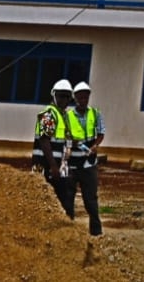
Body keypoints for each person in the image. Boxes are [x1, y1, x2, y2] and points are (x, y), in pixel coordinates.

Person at [33, 79, 77, 221]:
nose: (64, 99)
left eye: (67, 96)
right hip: (44, 166)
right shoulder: (48, 114)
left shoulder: (64, 116)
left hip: (59, 166)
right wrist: (53, 166)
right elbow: (44, 140)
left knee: (65, 199)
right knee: (43, 201)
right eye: (61, 96)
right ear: (54, 95)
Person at [65, 80, 105, 236]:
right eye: (80, 97)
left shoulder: (95, 113)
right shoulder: (67, 116)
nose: (83, 100)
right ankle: (69, 231)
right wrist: (71, 142)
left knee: (91, 200)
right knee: (68, 198)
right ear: (75, 98)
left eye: (85, 97)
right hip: (72, 163)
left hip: (89, 163)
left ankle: (96, 232)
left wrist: (95, 145)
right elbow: (64, 135)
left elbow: (101, 133)